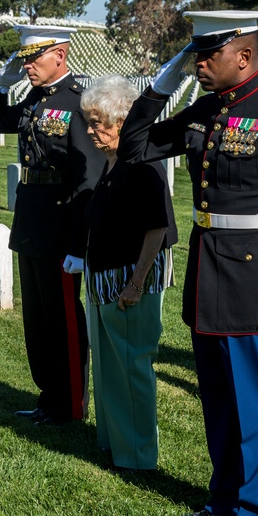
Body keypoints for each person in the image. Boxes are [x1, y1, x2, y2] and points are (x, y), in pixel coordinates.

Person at [117, 10, 258, 516]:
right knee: (218, 399)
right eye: (195, 55)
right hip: (208, 271)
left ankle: (256, 512)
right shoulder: (205, 109)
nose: (199, 64)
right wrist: (160, 87)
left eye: (208, 55)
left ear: (244, 55)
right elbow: (134, 147)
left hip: (255, 282)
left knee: (256, 406)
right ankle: (224, 495)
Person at [0, 25, 103, 425]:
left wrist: (77, 243)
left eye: (34, 58)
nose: (27, 65)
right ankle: (49, 396)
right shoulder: (36, 98)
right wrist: (0, 85)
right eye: (25, 59)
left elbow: (88, 179)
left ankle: (70, 404)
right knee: (37, 320)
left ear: (60, 57)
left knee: (63, 318)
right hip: (32, 218)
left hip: (61, 223)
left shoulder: (80, 102)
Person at [80, 75, 178, 470]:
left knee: (131, 366)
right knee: (108, 366)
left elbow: (156, 229)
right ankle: (113, 442)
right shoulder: (112, 162)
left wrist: (136, 283)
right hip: (104, 278)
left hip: (128, 283)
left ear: (122, 122)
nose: (90, 130)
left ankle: (137, 456)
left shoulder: (142, 164)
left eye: (97, 122)